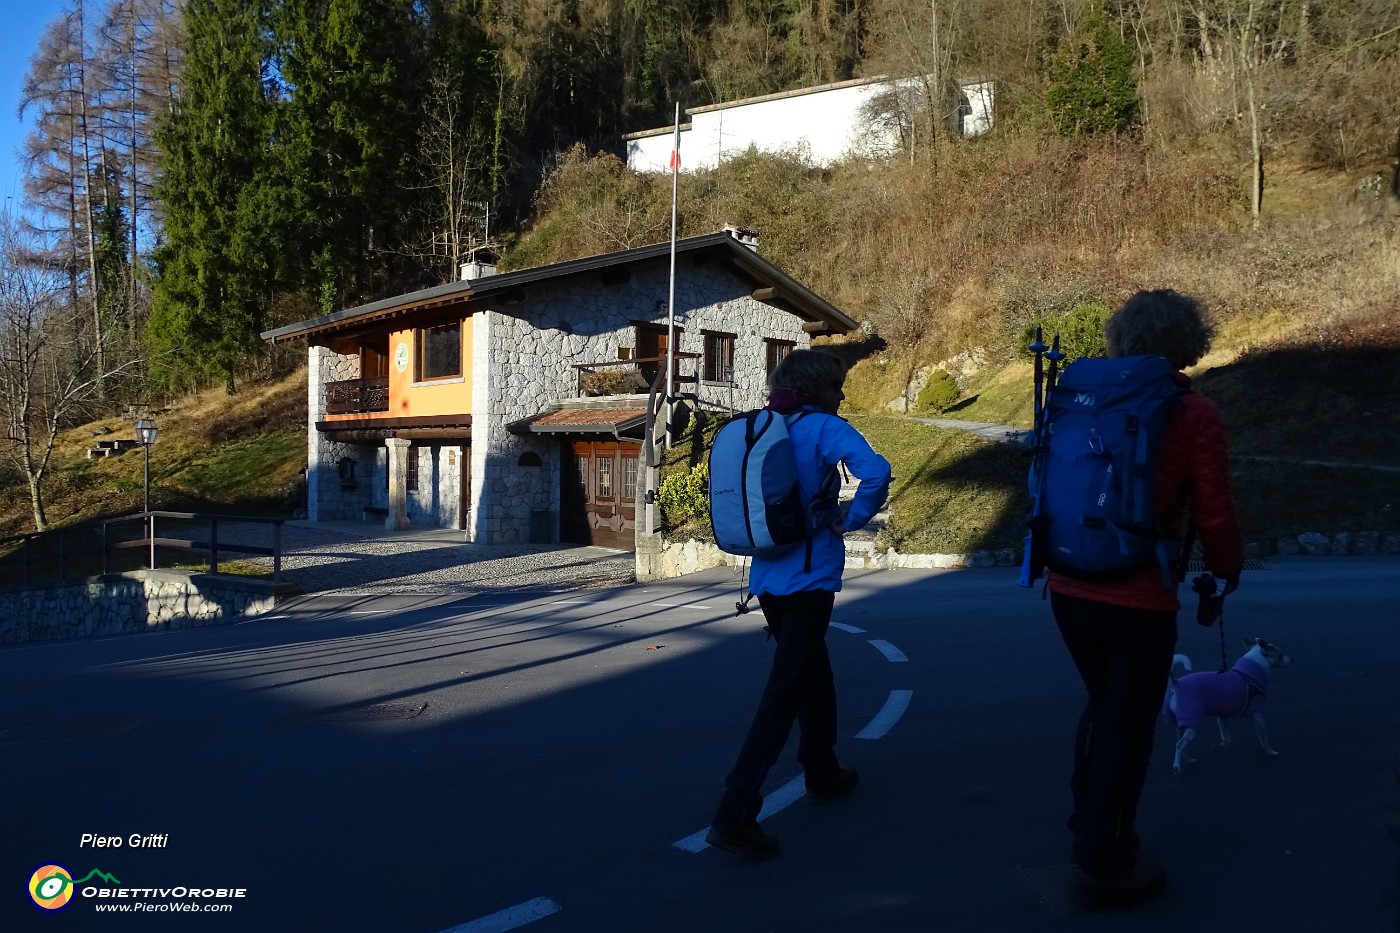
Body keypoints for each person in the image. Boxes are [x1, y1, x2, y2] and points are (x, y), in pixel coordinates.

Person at [1048, 289, 1245, 900]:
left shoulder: (1076, 396)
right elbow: (1212, 513)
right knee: (1128, 727)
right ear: (1188, 341)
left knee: (1103, 706)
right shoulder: (1192, 412)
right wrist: (1226, 570)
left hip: (1067, 585)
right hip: (1138, 596)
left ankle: (1089, 822)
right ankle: (1105, 861)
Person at [706, 349, 892, 860]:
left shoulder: (765, 425)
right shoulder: (827, 429)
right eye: (837, 384)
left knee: (811, 669)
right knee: (785, 691)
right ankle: (735, 811)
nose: (842, 393)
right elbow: (877, 472)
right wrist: (853, 517)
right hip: (810, 577)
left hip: (766, 575)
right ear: (817, 389)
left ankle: (822, 769)